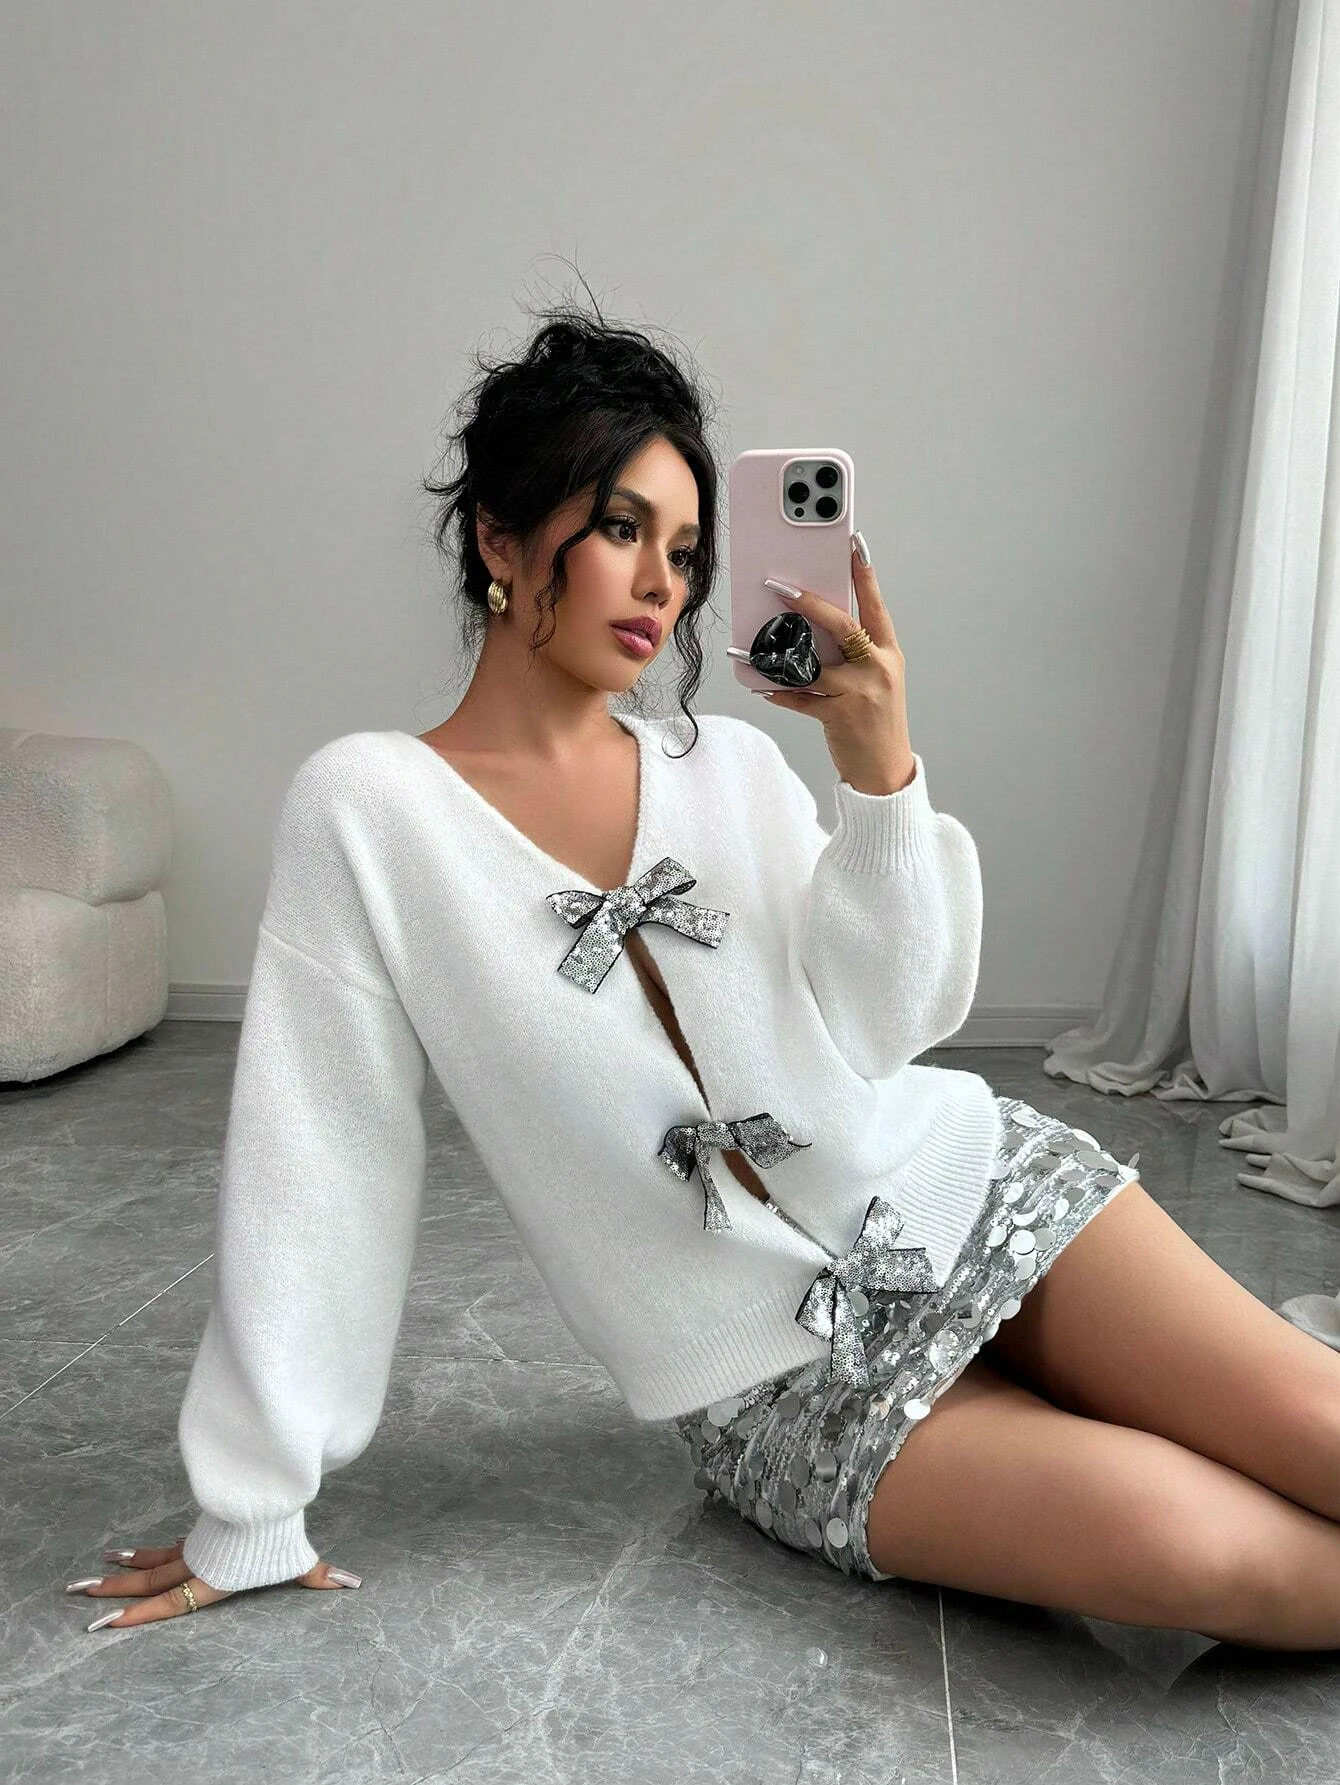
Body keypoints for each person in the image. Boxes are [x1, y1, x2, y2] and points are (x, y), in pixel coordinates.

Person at [66, 295, 1340, 1650]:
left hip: (973, 1197)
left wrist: (880, 776)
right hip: (786, 1397)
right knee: (1221, 1557)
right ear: (498, 537)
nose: (662, 584)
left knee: (1321, 1435)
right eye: (621, 529)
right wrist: (255, 1507)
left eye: (683, 550)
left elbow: (891, 1023)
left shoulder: (726, 767)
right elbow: (319, 1160)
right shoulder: (372, 809)